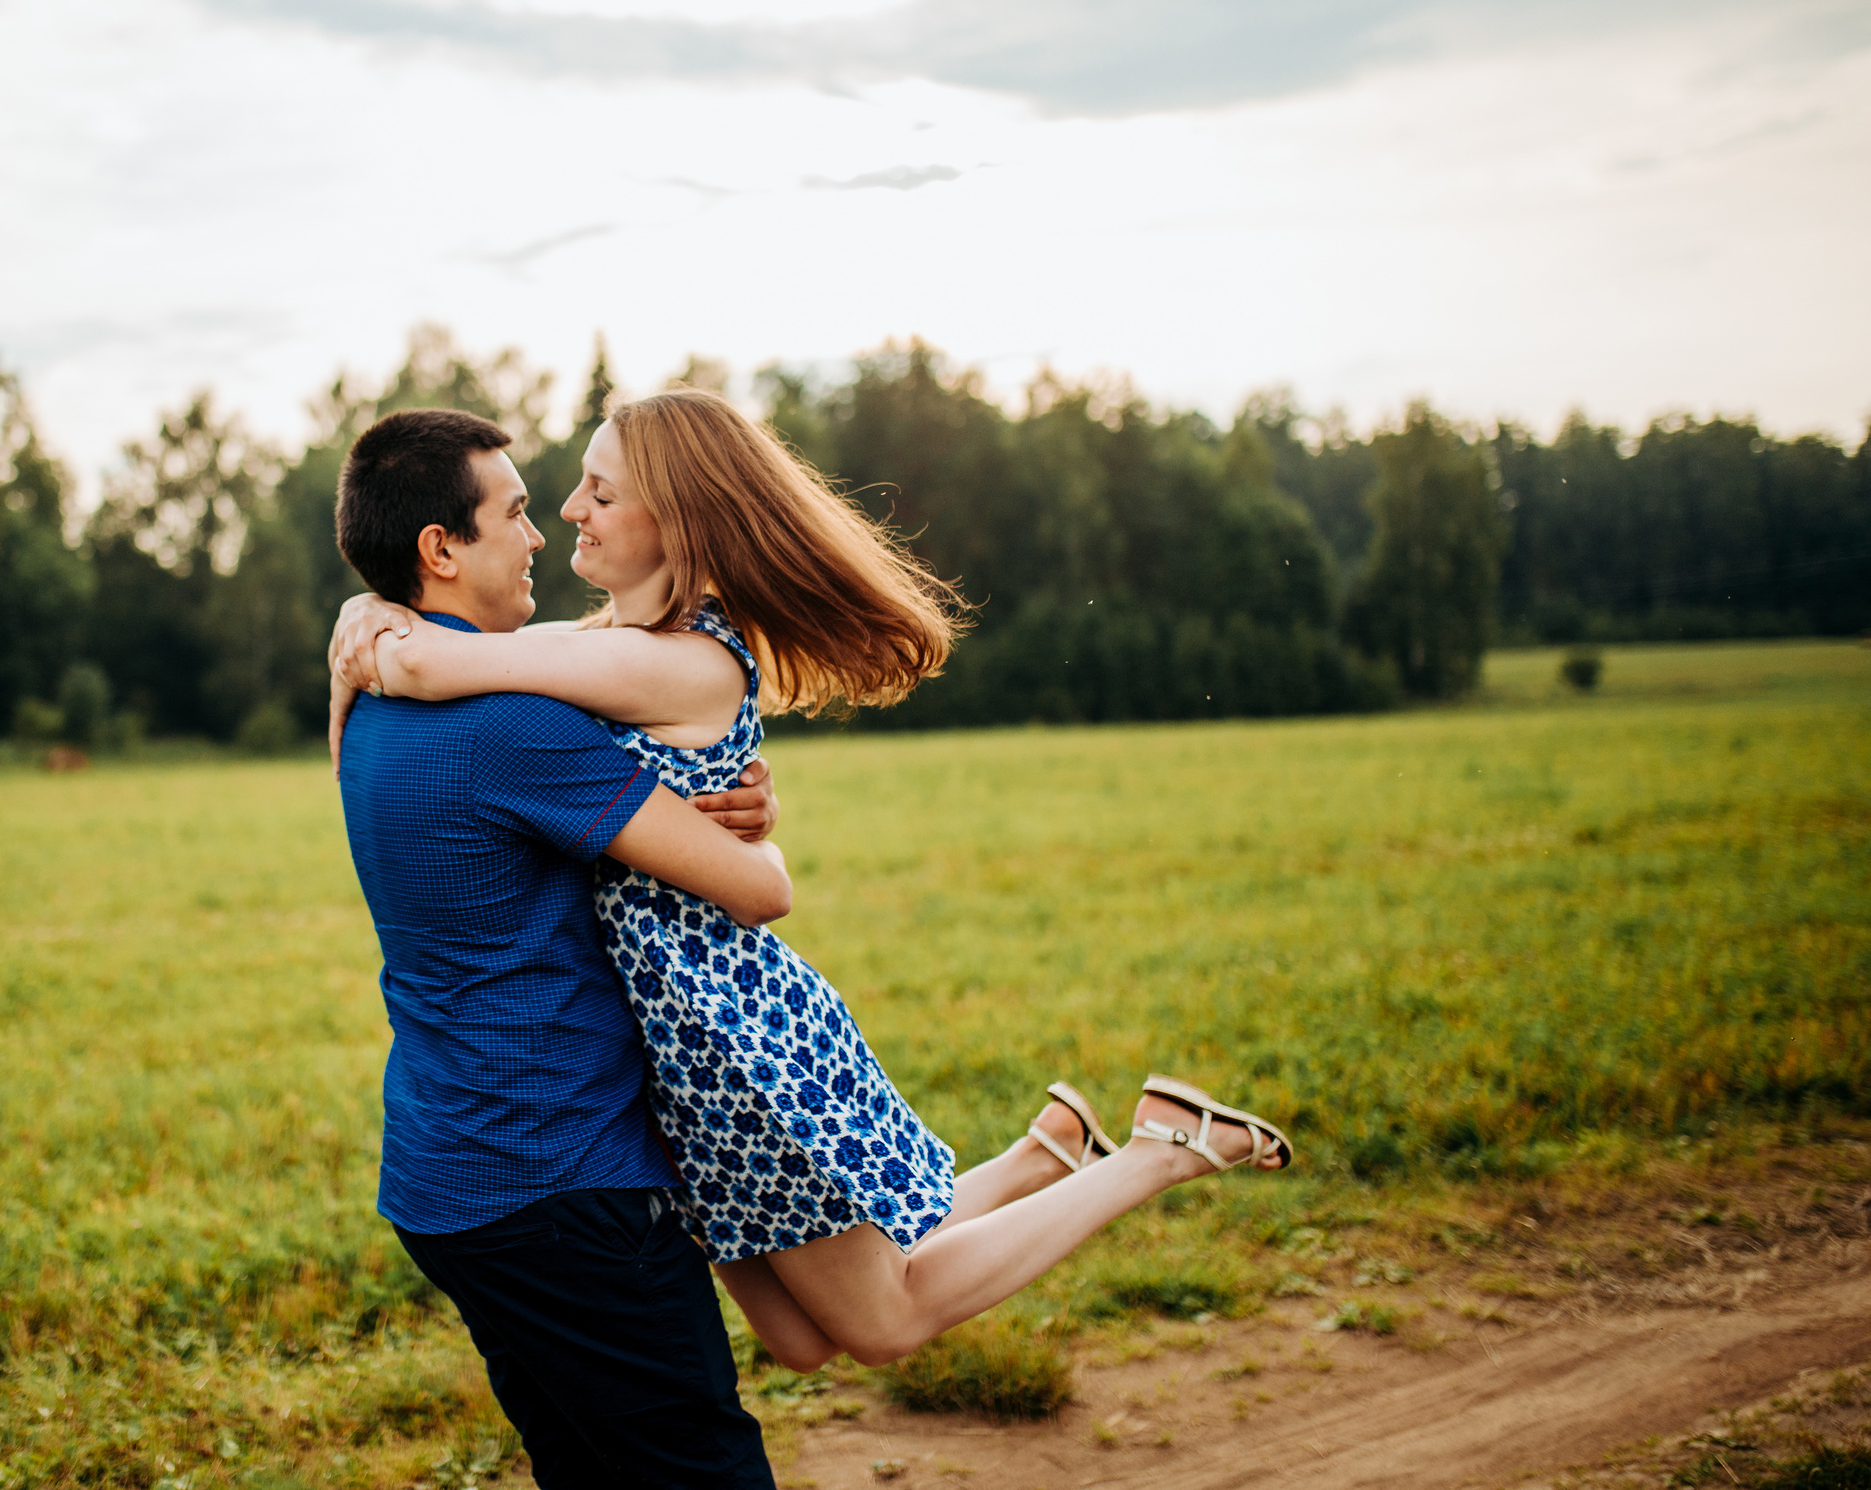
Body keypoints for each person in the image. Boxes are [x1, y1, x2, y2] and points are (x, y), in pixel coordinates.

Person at [329, 386, 1297, 1376]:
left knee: (880, 1321)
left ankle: (1159, 1150)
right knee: (798, 1339)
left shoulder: (681, 662)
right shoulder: (603, 651)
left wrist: (367, 622)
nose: (572, 511)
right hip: (666, 1046)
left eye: (599, 493)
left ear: (681, 518)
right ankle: (1043, 1155)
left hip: (723, 1033)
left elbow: (440, 669)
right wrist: (377, 612)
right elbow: (463, 659)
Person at [329, 406, 791, 1486]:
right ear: (440, 549)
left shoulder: (365, 699)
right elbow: (750, 892)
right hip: (562, 1182)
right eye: (517, 512)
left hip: (447, 1176)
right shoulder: (516, 727)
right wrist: (755, 828)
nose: (543, 534)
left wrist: (361, 612)